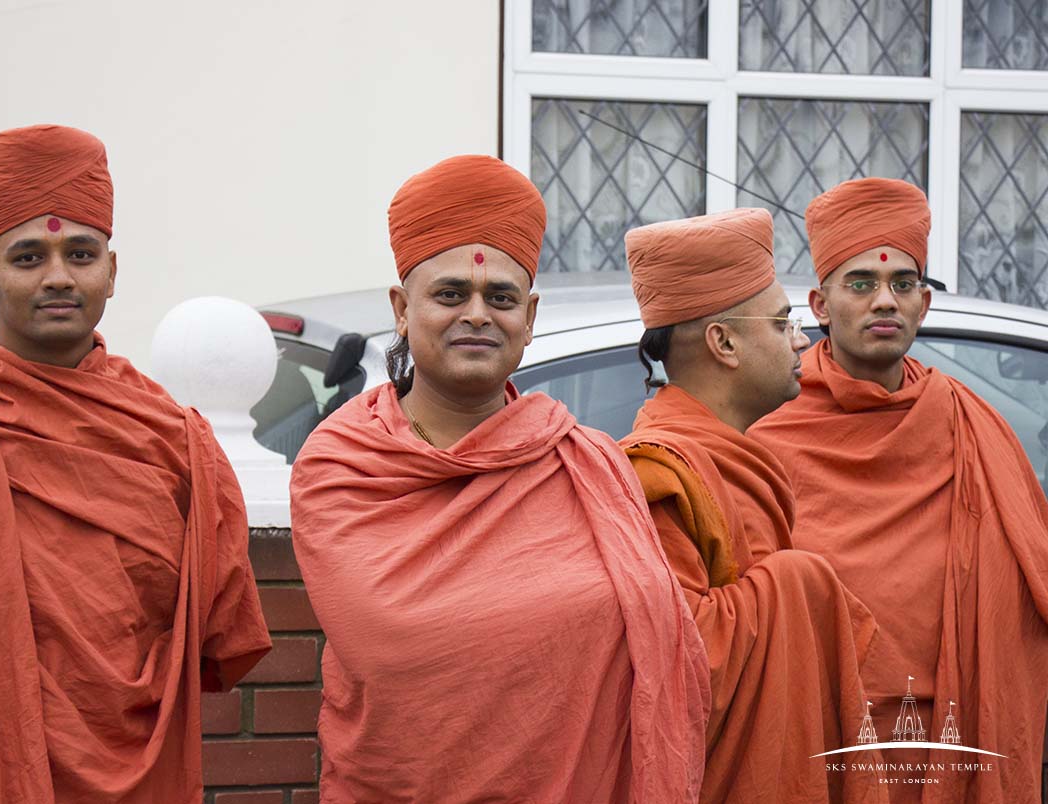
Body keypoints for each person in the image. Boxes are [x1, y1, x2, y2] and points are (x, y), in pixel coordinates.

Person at [0, 124, 271, 803]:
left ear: (112, 270)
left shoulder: (173, 439)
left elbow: (217, 633)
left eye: (80, 253)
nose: (58, 277)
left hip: (147, 772)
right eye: (27, 257)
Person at [289, 154, 710, 803]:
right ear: (402, 309)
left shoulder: (589, 462)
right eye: (450, 294)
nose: (478, 314)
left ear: (530, 318)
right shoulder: (344, 463)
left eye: (502, 298)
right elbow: (392, 641)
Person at [752, 177, 1048, 801]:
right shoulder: (769, 429)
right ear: (821, 305)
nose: (884, 300)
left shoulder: (970, 423)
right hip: (816, 743)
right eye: (861, 284)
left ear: (924, 304)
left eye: (902, 284)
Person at [617, 209, 884, 803]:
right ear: (724, 342)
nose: (802, 340)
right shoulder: (658, 474)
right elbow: (679, 663)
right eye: (783, 322)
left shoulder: (729, 454)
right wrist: (799, 585)